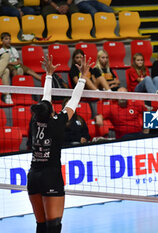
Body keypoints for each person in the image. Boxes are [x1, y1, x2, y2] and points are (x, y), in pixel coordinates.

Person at [26, 54, 92, 233]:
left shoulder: (35, 121)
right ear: (51, 113)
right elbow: (74, 100)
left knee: (41, 226)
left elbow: (46, 96)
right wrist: (83, 78)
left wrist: (48, 75)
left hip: (33, 177)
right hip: (50, 176)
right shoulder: (56, 123)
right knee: (53, 227)